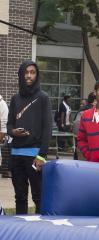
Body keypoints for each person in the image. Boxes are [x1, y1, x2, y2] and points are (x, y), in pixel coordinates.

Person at [6, 60, 52, 214]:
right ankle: (21, 230)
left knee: (38, 197)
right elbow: (9, 125)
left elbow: (47, 129)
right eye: (26, 72)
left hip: (34, 156)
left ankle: (40, 231)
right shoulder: (15, 99)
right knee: (20, 197)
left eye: (32, 72)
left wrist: (42, 156)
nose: (29, 75)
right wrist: (13, 132)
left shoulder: (43, 97)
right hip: (16, 155)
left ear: (37, 75)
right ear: (21, 75)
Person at [72, 92, 96, 160]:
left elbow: (75, 128)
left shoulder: (81, 109)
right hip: (88, 147)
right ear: (94, 101)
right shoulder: (92, 111)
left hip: (80, 144)